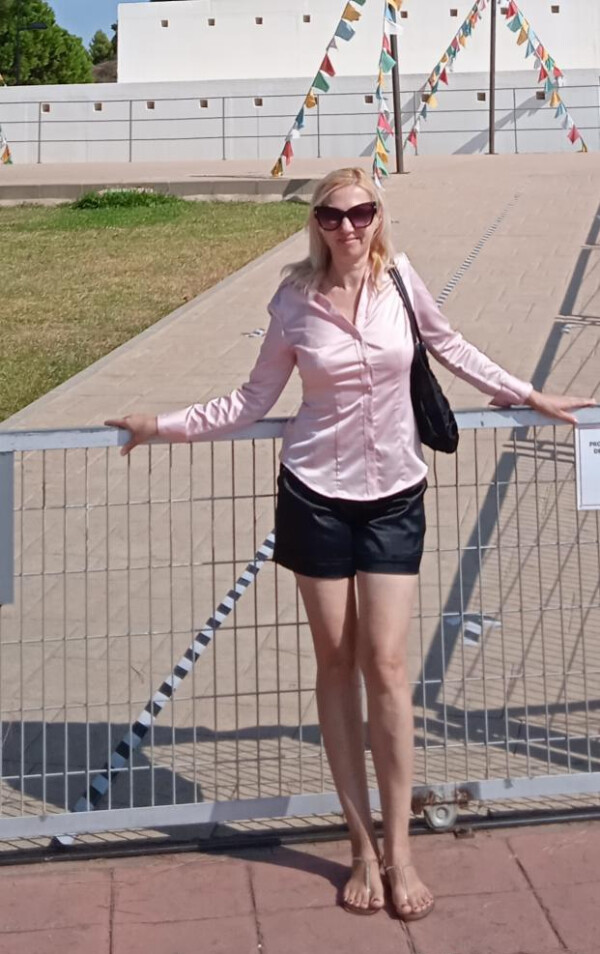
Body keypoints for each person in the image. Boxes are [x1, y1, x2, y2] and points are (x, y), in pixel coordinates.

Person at [105, 167, 594, 921]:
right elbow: (253, 399)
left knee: (387, 666)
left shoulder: (399, 279)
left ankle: (401, 849)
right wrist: (160, 424)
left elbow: (452, 347)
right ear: (316, 224)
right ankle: (361, 844)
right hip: (316, 496)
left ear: (378, 216)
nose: (349, 227)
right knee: (335, 663)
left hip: (395, 494)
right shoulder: (294, 299)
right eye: (332, 216)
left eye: (361, 213)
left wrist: (529, 395)